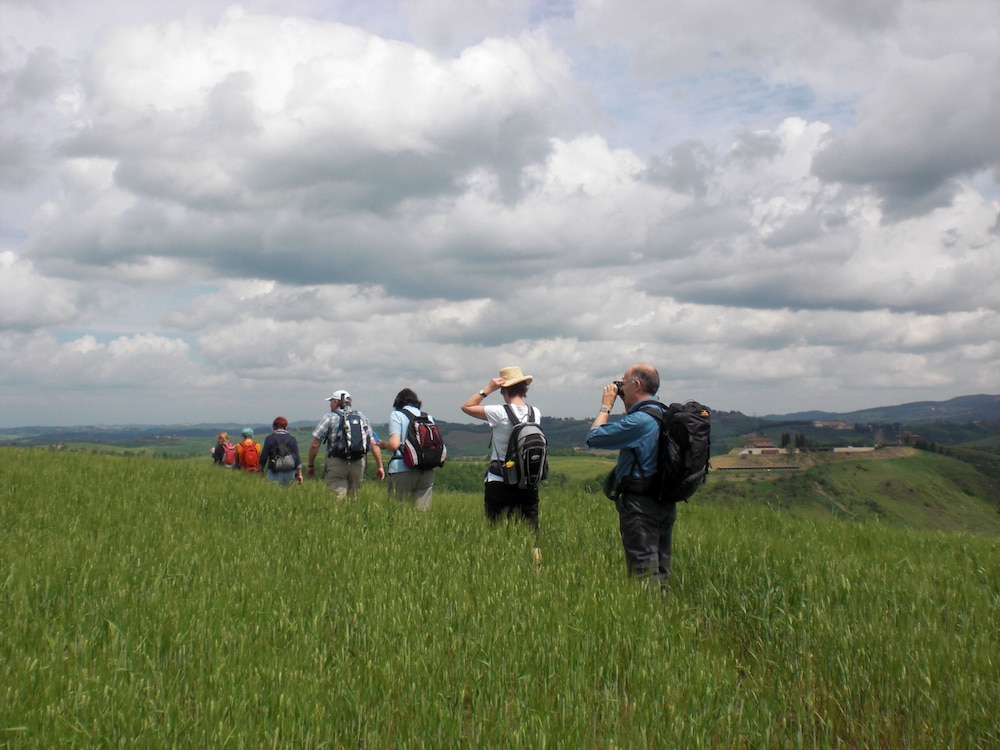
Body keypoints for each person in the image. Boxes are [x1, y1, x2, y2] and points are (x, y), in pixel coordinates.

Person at [585, 363, 676, 592]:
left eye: (623, 383)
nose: (620, 388)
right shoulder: (665, 414)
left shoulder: (640, 421)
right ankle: (663, 612)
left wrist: (606, 407)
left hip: (640, 504)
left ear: (636, 385)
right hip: (665, 499)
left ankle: (648, 616)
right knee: (661, 566)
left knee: (643, 571)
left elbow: (594, 437)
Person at [460, 366, 540, 529]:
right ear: (524, 388)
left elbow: (467, 406)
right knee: (530, 531)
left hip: (500, 479)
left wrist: (487, 389)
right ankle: (536, 554)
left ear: (504, 390)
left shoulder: (499, 412)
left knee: (497, 530)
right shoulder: (535, 413)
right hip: (528, 480)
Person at [306, 390, 384, 498]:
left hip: (337, 462)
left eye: (331, 401)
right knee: (353, 499)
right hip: (358, 463)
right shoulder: (362, 417)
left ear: (336, 402)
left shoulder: (329, 417)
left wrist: (310, 465)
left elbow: (315, 445)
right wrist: (380, 466)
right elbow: (373, 444)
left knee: (337, 501)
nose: (330, 404)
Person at [379, 388, 438, 510]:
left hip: (402, 467)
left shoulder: (397, 415)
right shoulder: (428, 417)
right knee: (422, 514)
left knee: (397, 512)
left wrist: (384, 444)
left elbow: (394, 445)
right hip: (426, 469)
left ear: (398, 402)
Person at [259, 416, 303, 486]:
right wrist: (299, 473)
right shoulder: (292, 439)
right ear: (286, 427)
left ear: (274, 427)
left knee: (273, 492)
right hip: (289, 471)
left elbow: (264, 456)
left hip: (273, 470)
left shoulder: (269, 439)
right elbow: (297, 457)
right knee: (287, 492)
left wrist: (261, 469)